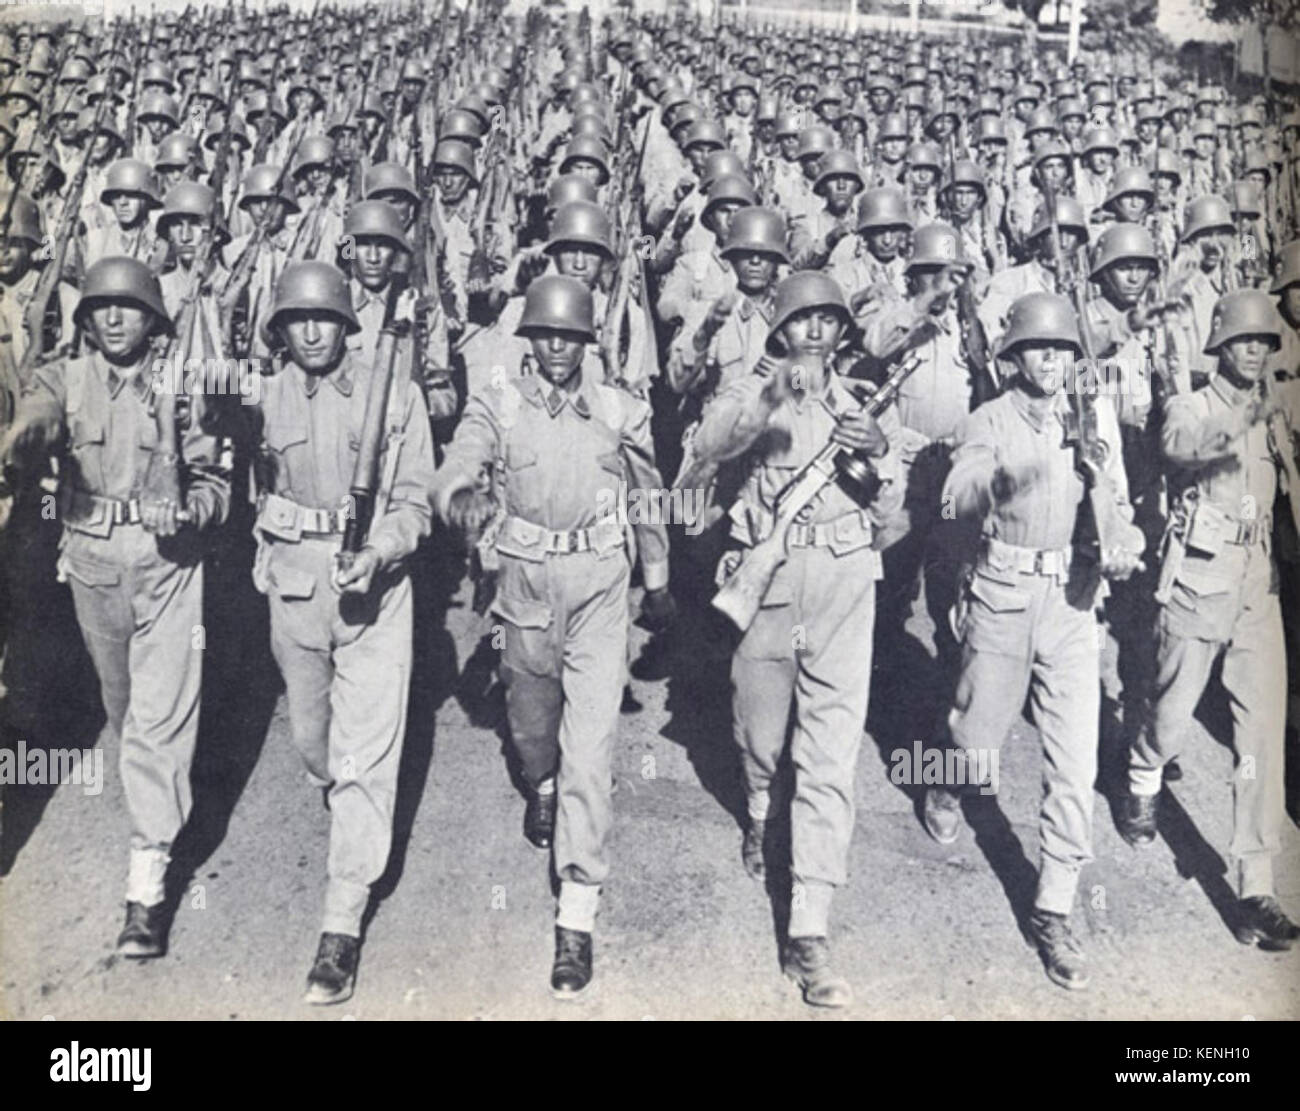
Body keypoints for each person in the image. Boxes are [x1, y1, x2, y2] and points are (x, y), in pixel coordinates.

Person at [432, 274, 673, 999]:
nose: (559, 347)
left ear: (588, 341)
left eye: (571, 335)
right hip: (525, 588)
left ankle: (577, 911)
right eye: (547, 335)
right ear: (529, 338)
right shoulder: (500, 404)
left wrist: (656, 579)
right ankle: (539, 782)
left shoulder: (617, 407)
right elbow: (457, 460)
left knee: (591, 750)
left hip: (601, 582)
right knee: (533, 724)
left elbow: (648, 490)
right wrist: (460, 497)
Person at [2, 257, 231, 958]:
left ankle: (147, 885)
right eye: (100, 308)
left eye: (127, 307)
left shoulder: (184, 384)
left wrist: (189, 507)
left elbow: (218, 479)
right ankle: (157, 793)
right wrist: (17, 444)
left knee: (157, 722)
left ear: (153, 318)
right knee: (126, 706)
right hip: (94, 560)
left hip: (167, 565)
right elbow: (37, 418)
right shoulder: (64, 377)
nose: (112, 318)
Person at [689, 272, 904, 1008]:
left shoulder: (861, 400)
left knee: (830, 753)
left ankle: (809, 921)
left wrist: (877, 451)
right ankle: (757, 810)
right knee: (761, 735)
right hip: (769, 583)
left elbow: (899, 507)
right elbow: (710, 446)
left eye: (828, 322)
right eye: (801, 322)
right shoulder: (751, 386)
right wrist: (768, 391)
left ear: (843, 332)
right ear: (779, 329)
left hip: (845, 581)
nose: (815, 332)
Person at [922, 292, 1144, 991]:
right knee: (976, 740)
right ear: (1013, 356)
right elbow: (958, 490)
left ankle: (1053, 908)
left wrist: (1125, 544)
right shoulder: (989, 419)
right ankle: (946, 780)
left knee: (1073, 764)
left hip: (1072, 603)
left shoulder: (1087, 422)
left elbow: (1120, 506)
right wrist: (988, 481)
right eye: (1038, 349)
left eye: (1062, 351)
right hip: (1004, 591)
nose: (1051, 362)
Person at [247, 259, 437, 1004]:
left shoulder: (396, 395)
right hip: (294, 586)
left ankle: (342, 918)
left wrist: (382, 548)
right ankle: (343, 804)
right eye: (297, 320)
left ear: (348, 323)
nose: (312, 330)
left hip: (375, 591)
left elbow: (417, 500)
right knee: (313, 738)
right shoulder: (261, 396)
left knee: (364, 755)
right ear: (280, 330)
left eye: (324, 317)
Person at [1118, 289, 1300, 953]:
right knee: (1168, 717)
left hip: (1258, 587)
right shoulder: (1190, 405)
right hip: (1197, 581)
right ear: (1219, 346)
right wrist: (1241, 419)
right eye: (1243, 342)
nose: (1254, 352)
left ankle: (1256, 886)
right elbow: (1178, 447)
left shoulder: (1276, 411)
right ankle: (1141, 770)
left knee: (1258, 742)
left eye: (1263, 343)